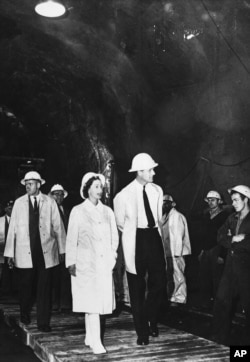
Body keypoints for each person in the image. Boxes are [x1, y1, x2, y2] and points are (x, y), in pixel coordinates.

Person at [113, 153, 166, 346]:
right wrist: (133, 235)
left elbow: (159, 217)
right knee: (136, 288)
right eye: (150, 169)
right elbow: (120, 223)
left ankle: (150, 317)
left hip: (153, 237)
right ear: (140, 172)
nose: (153, 173)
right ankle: (142, 331)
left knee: (160, 282)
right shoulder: (123, 195)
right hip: (135, 239)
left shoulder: (157, 191)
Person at [4, 171, 66, 332]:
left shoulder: (50, 201)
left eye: (30, 183)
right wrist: (9, 253)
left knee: (44, 288)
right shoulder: (18, 203)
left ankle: (43, 322)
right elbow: (12, 230)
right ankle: (24, 313)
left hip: (46, 251)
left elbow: (58, 227)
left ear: (39, 184)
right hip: (25, 251)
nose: (27, 186)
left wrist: (62, 249)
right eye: (26, 183)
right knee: (26, 286)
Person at [66, 172, 118, 355]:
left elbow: (114, 237)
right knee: (92, 302)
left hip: (104, 264)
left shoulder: (108, 212)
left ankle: (89, 336)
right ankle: (96, 342)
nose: (100, 190)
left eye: (101, 187)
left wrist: (113, 256)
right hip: (85, 263)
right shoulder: (78, 211)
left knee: (97, 303)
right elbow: (71, 238)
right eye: (96, 187)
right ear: (87, 189)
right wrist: (70, 261)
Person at [213, 185, 250, 345]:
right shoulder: (232, 218)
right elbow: (220, 236)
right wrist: (233, 240)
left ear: (246, 199)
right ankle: (220, 339)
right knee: (222, 301)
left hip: (246, 268)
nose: (233, 203)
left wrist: (237, 242)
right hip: (230, 267)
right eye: (232, 200)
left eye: (236, 200)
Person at [198, 191, 230, 308]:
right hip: (206, 250)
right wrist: (202, 250)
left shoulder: (224, 216)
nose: (210, 202)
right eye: (209, 200)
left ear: (219, 201)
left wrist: (222, 254)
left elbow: (226, 236)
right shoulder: (206, 215)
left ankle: (219, 304)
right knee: (204, 277)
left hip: (217, 249)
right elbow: (203, 234)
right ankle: (205, 302)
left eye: (213, 200)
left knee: (217, 278)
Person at [160, 194, 191, 307]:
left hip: (176, 252)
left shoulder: (177, 216)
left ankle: (180, 298)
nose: (164, 205)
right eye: (162, 202)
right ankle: (172, 296)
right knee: (169, 275)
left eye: (166, 202)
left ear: (172, 204)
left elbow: (178, 235)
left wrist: (177, 254)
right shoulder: (164, 217)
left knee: (178, 275)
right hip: (168, 252)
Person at [49, 184, 72, 312]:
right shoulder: (48, 210)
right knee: (53, 276)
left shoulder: (66, 210)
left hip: (67, 247)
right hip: (53, 248)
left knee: (65, 275)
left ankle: (64, 304)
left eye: (61, 194)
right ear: (51, 196)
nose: (59, 196)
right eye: (56, 194)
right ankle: (54, 303)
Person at [0, 200, 16, 295]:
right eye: (9, 208)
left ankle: (14, 290)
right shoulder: (0, 221)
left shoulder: (19, 221)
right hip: (2, 250)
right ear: (5, 209)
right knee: (3, 271)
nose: (11, 210)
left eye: (13, 208)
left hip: (15, 250)